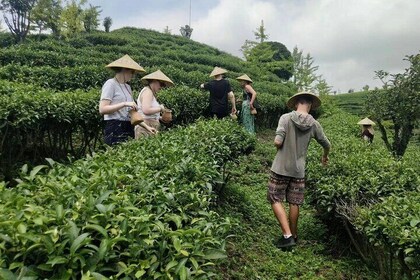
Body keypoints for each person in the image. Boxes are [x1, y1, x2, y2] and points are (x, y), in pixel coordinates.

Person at [268, 91, 331, 248]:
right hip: (299, 170)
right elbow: (326, 144)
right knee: (294, 202)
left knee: (274, 197)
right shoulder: (314, 124)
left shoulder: (285, 118)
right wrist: (324, 156)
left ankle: (287, 235)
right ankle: (294, 235)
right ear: (309, 105)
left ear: (297, 103)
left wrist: (279, 143)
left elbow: (277, 141)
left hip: (281, 167)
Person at [99, 54, 156, 146]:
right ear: (125, 70)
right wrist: (124, 104)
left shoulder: (127, 87)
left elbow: (130, 114)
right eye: (132, 72)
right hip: (114, 126)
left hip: (128, 125)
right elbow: (102, 109)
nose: (133, 75)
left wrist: (147, 127)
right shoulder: (110, 84)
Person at [135, 70, 174, 138]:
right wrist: (160, 108)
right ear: (154, 81)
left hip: (150, 125)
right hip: (146, 126)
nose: (161, 87)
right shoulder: (148, 92)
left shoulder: (151, 92)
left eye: (163, 86)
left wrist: (161, 118)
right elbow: (146, 110)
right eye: (161, 84)